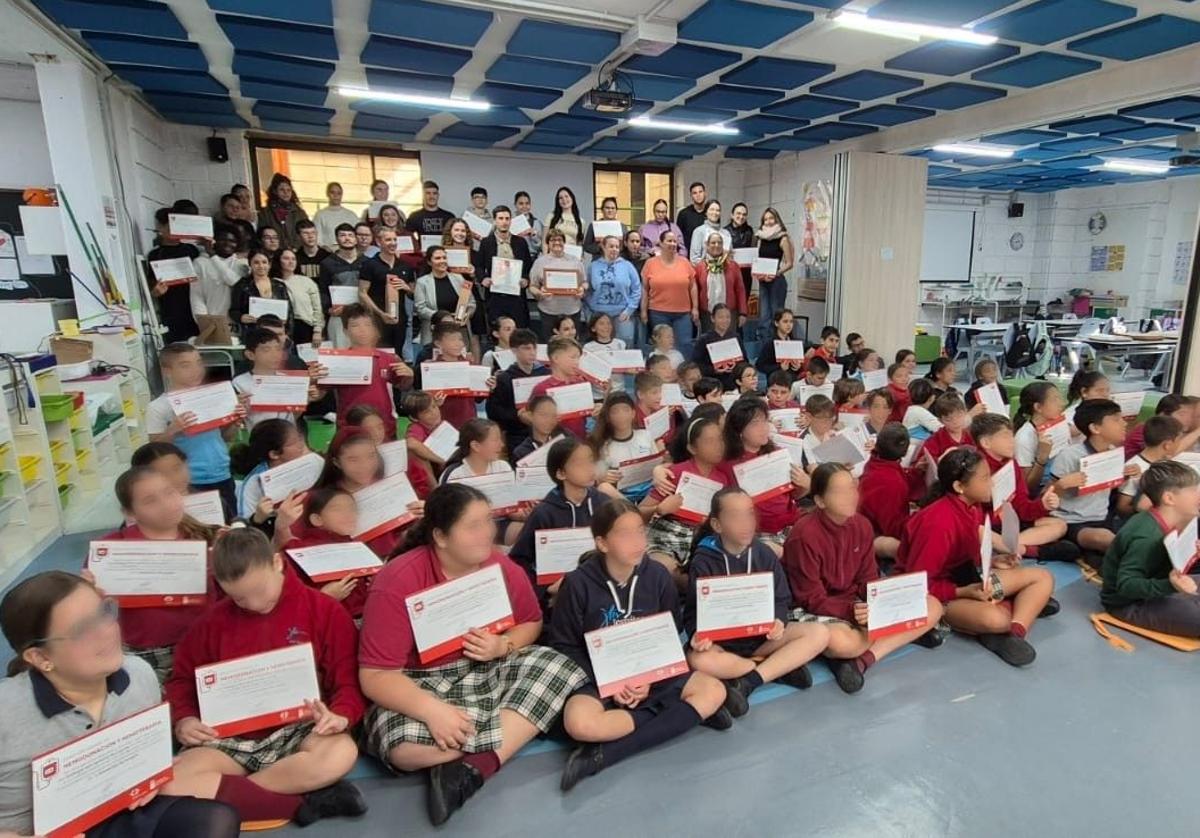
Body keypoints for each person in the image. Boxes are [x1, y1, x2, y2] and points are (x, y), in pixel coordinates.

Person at [358, 483, 584, 824]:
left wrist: (502, 645)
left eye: (488, 521)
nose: (487, 534)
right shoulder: (398, 580)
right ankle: (505, 737)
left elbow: (531, 623)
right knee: (403, 749)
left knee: (558, 666)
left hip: (486, 668)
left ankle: (473, 765)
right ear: (441, 536)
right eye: (472, 526)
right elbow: (375, 675)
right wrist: (433, 712)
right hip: (418, 684)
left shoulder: (501, 566)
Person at [0, 572, 241, 838]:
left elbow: (151, 753)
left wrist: (151, 776)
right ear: (41, 656)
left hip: (118, 812)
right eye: (81, 629)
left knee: (214, 821)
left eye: (104, 612)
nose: (106, 631)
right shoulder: (6, 711)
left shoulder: (138, 674)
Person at [164, 528, 367, 829]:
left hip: (300, 730)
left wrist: (340, 716)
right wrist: (185, 720)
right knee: (170, 782)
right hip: (229, 738)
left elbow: (347, 679)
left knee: (340, 753)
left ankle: (238, 793)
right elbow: (180, 681)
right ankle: (298, 800)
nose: (253, 604)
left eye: (259, 591)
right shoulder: (210, 624)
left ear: (277, 562)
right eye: (238, 598)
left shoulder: (324, 610)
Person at [549, 498, 730, 793]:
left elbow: (669, 632)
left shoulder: (657, 575)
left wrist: (648, 677)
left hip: (651, 669)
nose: (637, 541)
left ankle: (604, 754)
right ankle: (679, 716)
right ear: (602, 543)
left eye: (640, 531)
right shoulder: (578, 583)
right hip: (601, 677)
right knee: (580, 724)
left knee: (714, 690)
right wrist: (612, 682)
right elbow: (564, 645)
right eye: (624, 534)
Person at [785, 463, 944, 693]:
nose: (850, 496)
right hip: (819, 609)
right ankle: (898, 634)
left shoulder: (861, 525)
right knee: (842, 642)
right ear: (819, 501)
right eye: (839, 492)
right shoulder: (804, 535)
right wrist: (852, 611)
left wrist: (884, 599)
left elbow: (868, 577)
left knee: (932, 604)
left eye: (852, 488)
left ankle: (865, 658)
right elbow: (811, 598)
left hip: (857, 606)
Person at [896, 447, 1055, 666]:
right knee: (997, 619)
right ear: (959, 486)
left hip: (970, 578)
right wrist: (963, 592)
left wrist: (994, 562)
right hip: (939, 596)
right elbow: (917, 584)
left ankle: (1013, 635)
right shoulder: (938, 524)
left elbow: (964, 556)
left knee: (1043, 577)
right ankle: (1004, 615)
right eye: (985, 478)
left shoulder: (973, 506)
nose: (992, 483)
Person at [684, 487, 826, 712]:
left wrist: (779, 620)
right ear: (717, 525)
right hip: (722, 646)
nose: (745, 523)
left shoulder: (763, 553)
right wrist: (696, 635)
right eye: (735, 516)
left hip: (763, 638)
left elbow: (781, 598)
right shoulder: (704, 560)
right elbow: (692, 612)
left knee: (819, 633)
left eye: (749, 513)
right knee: (698, 660)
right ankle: (775, 668)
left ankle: (749, 680)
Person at [92, 466, 219, 683]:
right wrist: (91, 593)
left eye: (169, 492)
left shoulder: (206, 537)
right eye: (150, 501)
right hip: (147, 653)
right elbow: (100, 613)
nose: (166, 504)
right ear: (129, 513)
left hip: (203, 640)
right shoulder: (112, 549)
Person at [1100, 460, 1200, 637]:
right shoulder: (1146, 536)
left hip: (1159, 585)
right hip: (1129, 603)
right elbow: (1126, 585)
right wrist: (1170, 585)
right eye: (1193, 491)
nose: (1198, 495)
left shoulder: (1172, 519)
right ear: (1169, 499)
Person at [147, 343, 244, 518]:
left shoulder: (211, 398)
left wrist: (234, 422)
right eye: (185, 365)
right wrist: (173, 430)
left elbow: (225, 437)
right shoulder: (158, 407)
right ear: (167, 370)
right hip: (187, 481)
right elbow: (152, 452)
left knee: (230, 528)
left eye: (199, 363)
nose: (196, 370)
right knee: (196, 532)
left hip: (222, 473)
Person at [508, 436, 608, 601]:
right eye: (579, 464)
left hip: (600, 586)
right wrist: (545, 589)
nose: (590, 469)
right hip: (557, 595)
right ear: (561, 473)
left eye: (591, 461)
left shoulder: (604, 503)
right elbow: (519, 560)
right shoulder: (544, 513)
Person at [640, 414, 730, 587]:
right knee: (663, 570)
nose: (718, 446)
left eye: (720, 440)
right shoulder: (675, 473)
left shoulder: (723, 478)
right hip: (666, 537)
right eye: (709, 441)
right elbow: (639, 513)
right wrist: (659, 509)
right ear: (692, 448)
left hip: (701, 539)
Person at [970, 413, 1070, 557]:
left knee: (1059, 526)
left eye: (1012, 436)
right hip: (987, 528)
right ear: (986, 443)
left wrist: (1043, 505)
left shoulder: (1011, 464)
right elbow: (970, 517)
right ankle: (1025, 550)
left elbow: (1022, 507)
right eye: (1005, 437)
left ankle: (1008, 548)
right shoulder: (975, 468)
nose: (1012, 442)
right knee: (980, 532)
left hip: (1011, 524)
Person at [717, 398, 808, 552]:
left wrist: (806, 484)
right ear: (739, 430)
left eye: (765, 421)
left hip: (790, 524)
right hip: (757, 533)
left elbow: (794, 495)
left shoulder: (778, 453)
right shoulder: (727, 465)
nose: (764, 428)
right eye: (755, 423)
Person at [1050, 399, 1137, 556]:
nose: (1124, 424)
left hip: (1103, 517)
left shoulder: (1112, 451)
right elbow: (1047, 497)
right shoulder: (1070, 455)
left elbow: (1107, 487)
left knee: (1131, 538)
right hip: (1072, 521)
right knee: (1105, 539)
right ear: (1095, 428)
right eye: (1116, 420)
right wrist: (1062, 484)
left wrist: (1123, 476)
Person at [283, 487, 373, 618]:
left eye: (352, 509)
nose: (348, 514)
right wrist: (323, 596)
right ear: (316, 519)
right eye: (337, 509)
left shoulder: (360, 548)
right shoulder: (297, 550)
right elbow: (286, 601)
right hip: (325, 624)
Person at [325, 304, 414, 434]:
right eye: (355, 325)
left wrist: (409, 375)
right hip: (350, 428)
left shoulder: (388, 358)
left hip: (385, 427)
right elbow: (319, 392)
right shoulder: (337, 360)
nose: (362, 330)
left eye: (367, 325)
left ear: (375, 330)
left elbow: (403, 385)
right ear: (345, 331)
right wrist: (313, 383)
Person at [232, 327, 317, 430]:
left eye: (278, 349)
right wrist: (238, 408)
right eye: (266, 350)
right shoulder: (239, 383)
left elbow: (293, 416)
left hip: (288, 437)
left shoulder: (288, 381)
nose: (275, 355)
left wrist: (305, 400)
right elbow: (237, 423)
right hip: (259, 438)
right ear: (250, 355)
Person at [858, 422, 921, 559]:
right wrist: (921, 517)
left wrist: (916, 472)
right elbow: (894, 529)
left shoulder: (875, 462)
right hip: (871, 536)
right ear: (905, 451)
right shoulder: (892, 482)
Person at [232, 418, 310, 523]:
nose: (301, 445)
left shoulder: (306, 464)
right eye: (294, 443)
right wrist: (258, 518)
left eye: (300, 438)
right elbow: (244, 525)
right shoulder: (254, 484)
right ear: (274, 454)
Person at [485, 327, 547, 452]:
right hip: (518, 435)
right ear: (514, 350)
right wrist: (519, 416)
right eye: (526, 348)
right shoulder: (504, 378)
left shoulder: (545, 373)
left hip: (545, 431)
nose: (532, 352)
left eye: (534, 348)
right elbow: (494, 412)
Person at [147, 206, 202, 343]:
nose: (173, 230)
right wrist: (155, 292)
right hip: (171, 307)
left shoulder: (192, 250)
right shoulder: (155, 254)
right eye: (168, 226)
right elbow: (152, 284)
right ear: (160, 227)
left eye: (175, 225)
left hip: (194, 303)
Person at [590, 391, 658, 501]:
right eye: (615, 412)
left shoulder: (645, 435)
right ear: (609, 417)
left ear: (633, 414)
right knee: (604, 488)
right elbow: (597, 476)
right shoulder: (603, 445)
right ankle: (633, 511)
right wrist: (602, 476)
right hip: (622, 496)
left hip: (649, 490)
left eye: (625, 410)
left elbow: (657, 465)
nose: (621, 415)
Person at [641, 230, 698, 358]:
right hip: (658, 312)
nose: (672, 244)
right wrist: (643, 311)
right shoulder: (650, 263)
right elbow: (644, 289)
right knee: (663, 346)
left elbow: (693, 286)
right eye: (669, 241)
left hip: (683, 313)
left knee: (684, 345)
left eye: (674, 241)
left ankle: (683, 373)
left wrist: (695, 308)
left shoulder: (684, 262)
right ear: (660, 243)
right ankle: (662, 375)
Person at [358, 228, 416, 352]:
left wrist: (407, 288)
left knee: (397, 353)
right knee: (379, 354)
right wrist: (380, 313)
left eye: (395, 239)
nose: (393, 243)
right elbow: (362, 293)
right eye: (388, 239)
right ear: (379, 242)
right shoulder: (370, 265)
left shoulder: (405, 266)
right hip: (377, 319)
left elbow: (414, 293)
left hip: (399, 319)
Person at [476, 205, 533, 328]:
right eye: (501, 218)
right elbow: (479, 266)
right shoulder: (486, 242)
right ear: (494, 221)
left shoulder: (520, 242)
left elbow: (528, 266)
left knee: (519, 330)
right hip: (495, 295)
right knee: (497, 331)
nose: (504, 222)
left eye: (507, 218)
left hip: (516, 295)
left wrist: (526, 279)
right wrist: (483, 279)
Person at [191, 225, 248, 345]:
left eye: (232, 241)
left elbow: (233, 281)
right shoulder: (200, 263)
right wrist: (204, 322)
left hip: (236, 323)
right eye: (223, 239)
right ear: (214, 242)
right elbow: (196, 295)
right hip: (211, 323)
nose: (227, 244)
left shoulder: (242, 264)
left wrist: (213, 256)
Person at [1118, 415, 1184, 517]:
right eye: (1179, 439)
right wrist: (1141, 509)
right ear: (1167, 445)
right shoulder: (1134, 469)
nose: (1180, 443)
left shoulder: (1164, 462)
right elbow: (1122, 507)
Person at [317, 223, 368, 348]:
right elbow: (323, 290)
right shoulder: (327, 263)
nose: (347, 238)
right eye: (342, 235)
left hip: (363, 314)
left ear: (356, 239)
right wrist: (328, 309)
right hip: (338, 316)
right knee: (339, 351)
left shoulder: (367, 262)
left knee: (362, 352)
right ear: (336, 239)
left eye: (350, 235)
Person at [529, 228, 587, 339]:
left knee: (572, 344)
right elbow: (532, 286)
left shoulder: (575, 261)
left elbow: (584, 282)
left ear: (564, 242)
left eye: (560, 240)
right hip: (549, 311)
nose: (557, 242)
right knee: (551, 344)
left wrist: (582, 290)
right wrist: (539, 293)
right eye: (552, 240)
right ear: (547, 243)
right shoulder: (540, 262)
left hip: (572, 310)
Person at [1012, 381, 1067, 493]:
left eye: (1060, 398)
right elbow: (1028, 487)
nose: (1062, 403)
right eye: (1055, 400)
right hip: (1043, 491)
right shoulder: (1024, 437)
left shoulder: (1060, 424)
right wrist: (1042, 458)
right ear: (1038, 407)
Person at [586, 235, 642, 346]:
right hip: (599, 313)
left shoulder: (627, 266)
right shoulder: (593, 266)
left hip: (622, 314)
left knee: (625, 342)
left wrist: (629, 310)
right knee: (601, 345)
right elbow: (587, 289)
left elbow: (636, 289)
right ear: (603, 247)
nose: (614, 249)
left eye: (617, 247)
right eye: (611, 246)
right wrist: (590, 309)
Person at [414, 245, 476, 344]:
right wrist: (444, 319)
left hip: (459, 331)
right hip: (434, 333)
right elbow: (420, 309)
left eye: (444, 257)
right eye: (438, 258)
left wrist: (466, 314)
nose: (442, 261)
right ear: (429, 262)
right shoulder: (422, 282)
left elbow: (471, 303)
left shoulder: (459, 278)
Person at [754, 207, 794, 342]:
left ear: (776, 219)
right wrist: (758, 273)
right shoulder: (759, 238)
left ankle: (778, 346)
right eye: (766, 219)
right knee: (763, 317)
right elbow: (755, 259)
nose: (769, 221)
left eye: (771, 218)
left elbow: (789, 263)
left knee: (776, 316)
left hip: (776, 281)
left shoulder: (783, 238)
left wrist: (776, 273)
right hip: (763, 281)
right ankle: (764, 347)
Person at [694, 230, 747, 332]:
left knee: (729, 344)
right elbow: (696, 290)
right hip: (707, 314)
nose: (716, 245)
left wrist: (743, 312)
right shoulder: (700, 267)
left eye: (719, 243)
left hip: (729, 313)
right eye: (713, 243)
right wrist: (695, 310)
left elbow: (740, 290)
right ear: (707, 245)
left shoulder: (733, 266)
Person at [230, 250, 293, 336]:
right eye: (256, 262)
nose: (261, 266)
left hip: (278, 333)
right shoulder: (242, 285)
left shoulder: (280, 286)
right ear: (250, 264)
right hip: (252, 333)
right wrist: (241, 317)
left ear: (269, 265)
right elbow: (233, 310)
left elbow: (289, 312)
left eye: (264, 262)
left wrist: (287, 334)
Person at [1124, 394, 1200, 459]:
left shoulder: (1173, 431)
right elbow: (1168, 454)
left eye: (1190, 415)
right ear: (1163, 414)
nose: (1187, 419)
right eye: (1182, 414)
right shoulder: (1146, 430)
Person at [692, 304, 746, 391]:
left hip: (733, 384)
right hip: (711, 384)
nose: (725, 320)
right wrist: (714, 369)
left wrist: (736, 368)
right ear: (713, 319)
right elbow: (696, 365)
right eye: (721, 317)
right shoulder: (704, 339)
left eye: (728, 317)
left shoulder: (735, 337)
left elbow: (744, 361)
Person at [276, 247, 324, 346]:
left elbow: (317, 308)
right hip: (280, 327)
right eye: (286, 258)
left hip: (305, 327)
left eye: (293, 259)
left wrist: (317, 331)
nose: (291, 262)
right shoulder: (273, 283)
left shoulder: (306, 282)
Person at [257, 173, 308, 248]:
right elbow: (263, 235)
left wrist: (295, 248)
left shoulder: (299, 213)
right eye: (282, 190)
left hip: (296, 253)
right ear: (275, 191)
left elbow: (305, 232)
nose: (286, 193)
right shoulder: (266, 213)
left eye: (288, 190)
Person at [509, 394, 563, 464]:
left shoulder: (563, 442)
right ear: (530, 416)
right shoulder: (521, 452)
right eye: (544, 415)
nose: (549, 420)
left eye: (553, 415)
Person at [1064, 370, 1111, 439]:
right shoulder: (1072, 413)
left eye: (1108, 390)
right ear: (1084, 392)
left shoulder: (1106, 411)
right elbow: (1068, 432)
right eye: (1100, 390)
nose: (1106, 395)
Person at [725, 201, 754, 302]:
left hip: (746, 273)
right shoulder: (725, 231)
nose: (741, 216)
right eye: (738, 213)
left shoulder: (750, 231)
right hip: (730, 272)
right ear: (732, 215)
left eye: (744, 214)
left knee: (744, 301)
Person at [314, 182, 359, 248]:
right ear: (327, 194)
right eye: (332, 192)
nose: (336, 195)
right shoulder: (320, 215)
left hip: (348, 251)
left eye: (339, 193)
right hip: (327, 253)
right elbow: (317, 237)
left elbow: (357, 235)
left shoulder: (351, 215)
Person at [676, 181, 708, 248]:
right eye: (694, 193)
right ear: (691, 196)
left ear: (705, 193)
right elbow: (678, 237)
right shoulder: (683, 214)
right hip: (688, 254)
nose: (698, 195)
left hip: (707, 254)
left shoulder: (711, 213)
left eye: (700, 192)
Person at [513, 190, 544, 258]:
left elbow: (542, 246)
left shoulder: (537, 223)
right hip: (513, 258)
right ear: (515, 205)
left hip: (531, 258)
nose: (524, 206)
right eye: (521, 203)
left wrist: (534, 236)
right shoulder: (509, 222)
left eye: (527, 203)